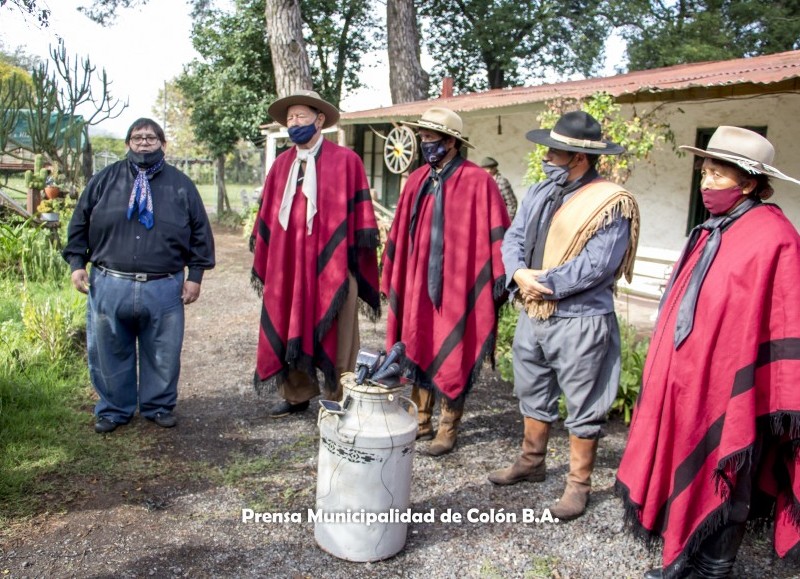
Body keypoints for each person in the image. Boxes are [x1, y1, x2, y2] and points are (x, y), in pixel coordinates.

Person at [616, 126, 800, 578]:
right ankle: (684, 551)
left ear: (750, 181)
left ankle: (714, 567)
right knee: (688, 456)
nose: (706, 182)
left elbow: (782, 318)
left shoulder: (774, 237)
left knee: (727, 463)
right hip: (687, 376)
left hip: (731, 382)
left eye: (719, 174)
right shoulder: (712, 229)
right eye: (705, 170)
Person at [489, 111, 640, 521]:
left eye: (554, 151)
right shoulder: (540, 191)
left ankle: (578, 486)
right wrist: (518, 273)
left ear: (578, 158)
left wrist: (544, 282)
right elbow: (514, 237)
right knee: (532, 388)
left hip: (580, 317)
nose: (546, 156)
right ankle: (532, 461)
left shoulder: (611, 203)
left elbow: (598, 266)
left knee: (584, 401)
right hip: (533, 311)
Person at [63, 117, 215, 433]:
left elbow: (200, 231)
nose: (143, 142)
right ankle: (114, 409)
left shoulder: (181, 185)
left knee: (163, 352)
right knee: (108, 350)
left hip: (163, 287)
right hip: (109, 283)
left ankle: (158, 406)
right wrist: (77, 263)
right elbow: (79, 223)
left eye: (150, 137)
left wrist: (195, 275)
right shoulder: (104, 180)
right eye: (137, 137)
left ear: (162, 143)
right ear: (128, 143)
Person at [381, 107, 510, 456]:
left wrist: (495, 281)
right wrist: (396, 274)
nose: (425, 144)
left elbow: (499, 236)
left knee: (454, 348)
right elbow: (399, 236)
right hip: (417, 283)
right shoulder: (416, 180)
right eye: (422, 138)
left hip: (458, 286)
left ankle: (447, 428)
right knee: (416, 339)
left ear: (451, 142)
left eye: (431, 139)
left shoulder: (478, 182)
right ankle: (420, 419)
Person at [251, 90, 380, 418]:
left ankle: (339, 395)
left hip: (334, 268)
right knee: (286, 319)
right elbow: (267, 219)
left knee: (341, 334)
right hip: (289, 268)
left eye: (301, 117)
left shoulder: (346, 161)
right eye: (290, 119)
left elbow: (361, 220)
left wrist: (345, 260)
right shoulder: (281, 166)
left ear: (319, 120)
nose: (294, 123)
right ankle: (295, 395)